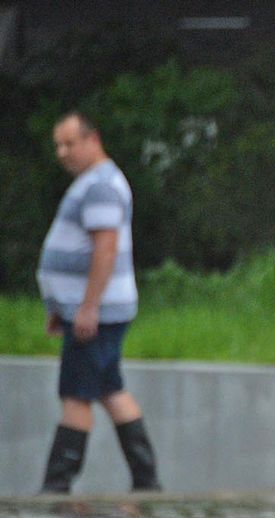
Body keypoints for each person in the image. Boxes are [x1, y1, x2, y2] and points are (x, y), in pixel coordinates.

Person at [36, 111, 160, 494]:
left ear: (94, 139)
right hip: (94, 309)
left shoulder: (101, 185)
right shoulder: (93, 182)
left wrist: (87, 306)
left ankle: (55, 489)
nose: (62, 152)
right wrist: (62, 307)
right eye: (58, 144)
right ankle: (147, 483)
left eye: (70, 143)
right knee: (110, 390)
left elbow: (105, 249)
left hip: (97, 312)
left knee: (75, 396)